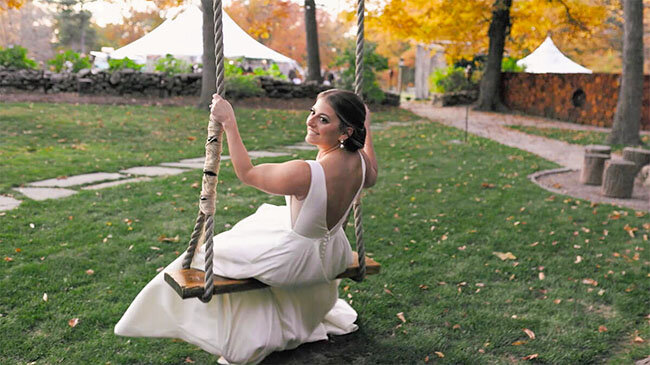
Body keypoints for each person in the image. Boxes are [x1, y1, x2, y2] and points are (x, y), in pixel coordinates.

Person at [114, 89, 378, 364]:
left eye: (323, 119)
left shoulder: (306, 172)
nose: (310, 121)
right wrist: (367, 128)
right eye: (312, 112)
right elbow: (371, 175)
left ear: (345, 132)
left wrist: (229, 122)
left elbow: (248, 173)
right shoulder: (360, 162)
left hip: (295, 262)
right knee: (265, 219)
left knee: (199, 256)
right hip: (334, 254)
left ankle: (155, 316)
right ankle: (270, 323)